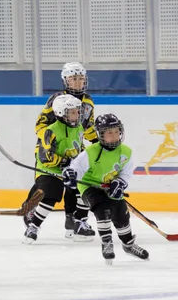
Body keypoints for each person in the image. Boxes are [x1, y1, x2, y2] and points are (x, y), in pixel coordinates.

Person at [62, 113, 149, 264]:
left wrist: (120, 182)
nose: (114, 136)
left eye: (116, 131)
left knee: (121, 212)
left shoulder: (125, 152)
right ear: (101, 135)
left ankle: (128, 244)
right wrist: (71, 174)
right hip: (90, 186)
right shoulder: (91, 152)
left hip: (110, 186)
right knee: (102, 210)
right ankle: (107, 242)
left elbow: (126, 172)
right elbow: (76, 169)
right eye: (109, 132)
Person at [23, 62, 96, 239]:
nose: (77, 82)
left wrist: (99, 145)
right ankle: (30, 207)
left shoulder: (87, 102)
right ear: (66, 80)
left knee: (76, 185)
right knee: (48, 184)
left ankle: (73, 219)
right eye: (73, 79)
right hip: (51, 152)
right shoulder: (57, 99)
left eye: (80, 78)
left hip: (74, 150)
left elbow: (87, 128)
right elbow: (40, 124)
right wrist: (49, 141)